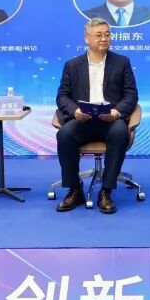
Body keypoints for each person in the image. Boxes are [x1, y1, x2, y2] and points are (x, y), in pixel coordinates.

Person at [54, 17, 139, 214]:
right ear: (87, 38)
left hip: (110, 120)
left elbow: (131, 95)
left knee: (119, 132)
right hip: (82, 120)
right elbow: (62, 96)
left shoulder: (122, 62)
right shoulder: (72, 65)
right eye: (99, 35)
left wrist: (117, 112)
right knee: (64, 135)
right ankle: (74, 190)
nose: (104, 39)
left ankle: (106, 191)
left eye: (107, 34)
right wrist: (75, 111)